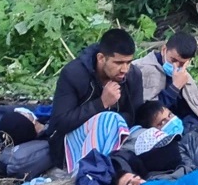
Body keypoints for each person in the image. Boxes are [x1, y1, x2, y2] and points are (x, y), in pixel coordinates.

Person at [47, 29, 145, 169]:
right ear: (101, 58)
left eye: (128, 62)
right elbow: (59, 123)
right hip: (73, 144)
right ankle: (94, 173)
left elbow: (137, 116)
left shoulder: (133, 74)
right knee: (109, 119)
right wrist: (101, 103)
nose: (125, 69)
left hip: (121, 137)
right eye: (118, 63)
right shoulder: (74, 73)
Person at [133, 32, 198, 130]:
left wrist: (188, 129)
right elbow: (144, 114)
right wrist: (174, 88)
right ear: (164, 50)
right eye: (173, 60)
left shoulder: (185, 77)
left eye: (182, 63)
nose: (176, 66)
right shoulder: (140, 69)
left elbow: (191, 113)